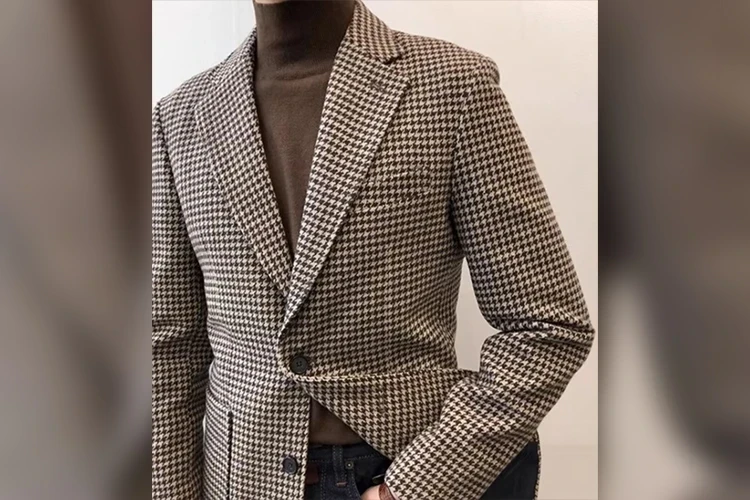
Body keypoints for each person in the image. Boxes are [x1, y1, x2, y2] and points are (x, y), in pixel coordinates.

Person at [151, 0, 595, 499]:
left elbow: (549, 325)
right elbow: (168, 350)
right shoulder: (179, 117)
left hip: (405, 466)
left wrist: (413, 489)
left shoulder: (452, 86)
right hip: (242, 480)